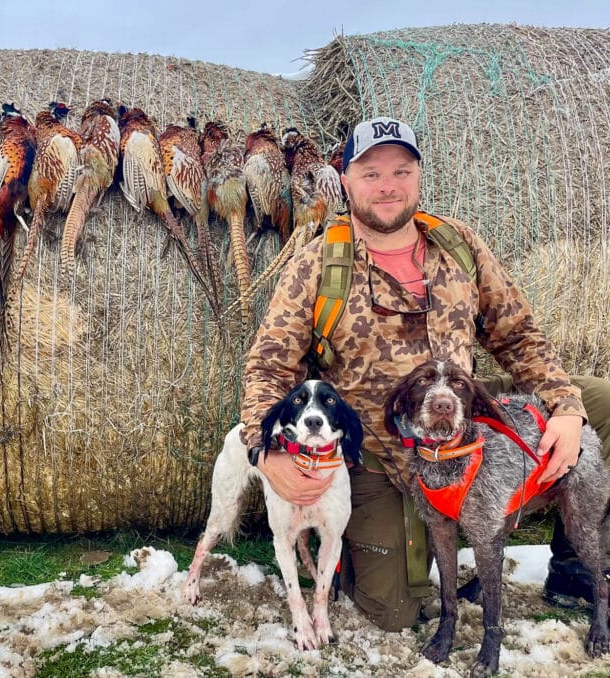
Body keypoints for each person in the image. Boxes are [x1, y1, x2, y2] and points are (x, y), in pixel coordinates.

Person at [240, 117, 610, 631]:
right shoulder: (316, 266)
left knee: (600, 403)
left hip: (464, 417)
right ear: (345, 180)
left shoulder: (458, 243)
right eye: (370, 173)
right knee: (394, 613)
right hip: (383, 451)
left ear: (418, 175)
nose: (387, 185)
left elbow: (519, 338)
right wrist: (267, 450)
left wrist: (567, 410)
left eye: (400, 170)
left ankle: (576, 564)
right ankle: (362, 544)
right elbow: (266, 368)